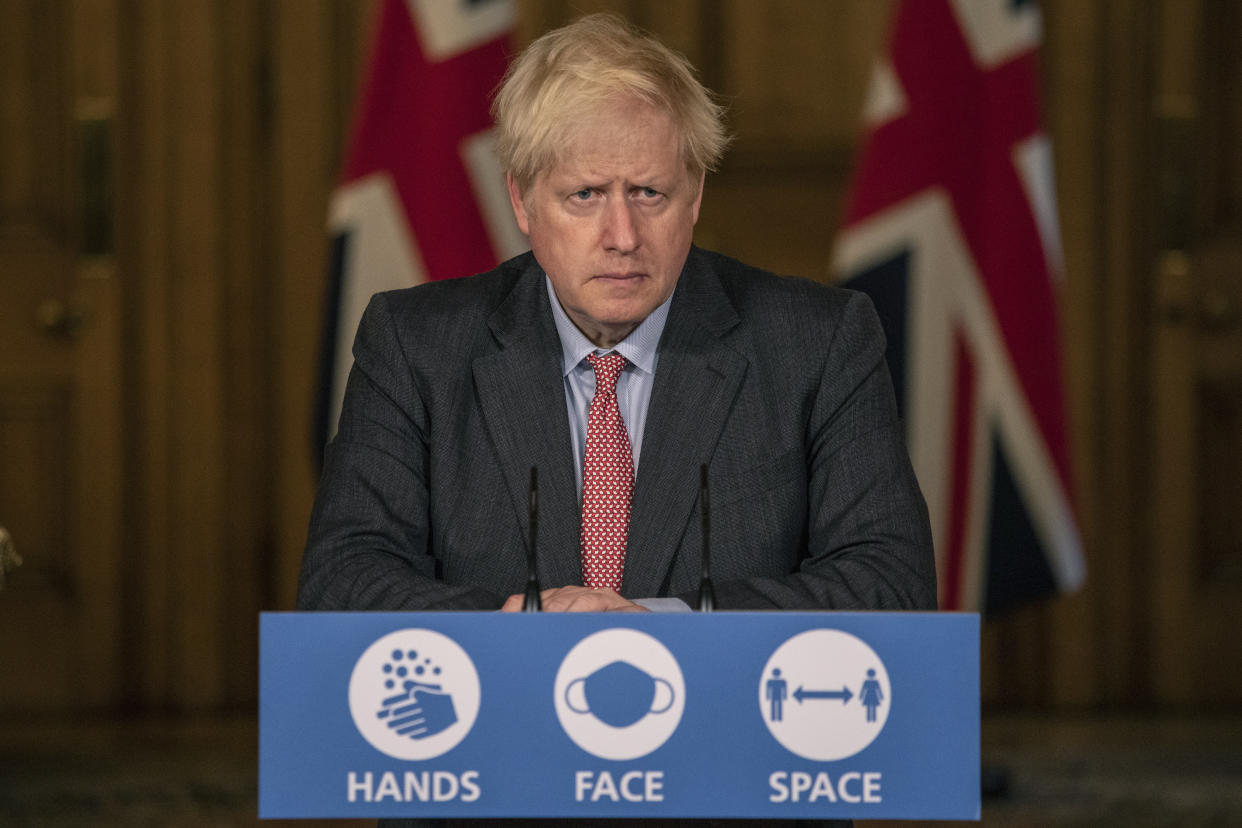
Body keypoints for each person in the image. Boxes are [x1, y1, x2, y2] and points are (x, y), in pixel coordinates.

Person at [298, 13, 935, 618]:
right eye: (586, 195)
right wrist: (529, 624)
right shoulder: (417, 347)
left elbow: (890, 580)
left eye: (649, 193)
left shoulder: (818, 343)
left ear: (695, 197)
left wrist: (663, 621)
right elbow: (342, 578)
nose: (623, 235)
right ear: (523, 202)